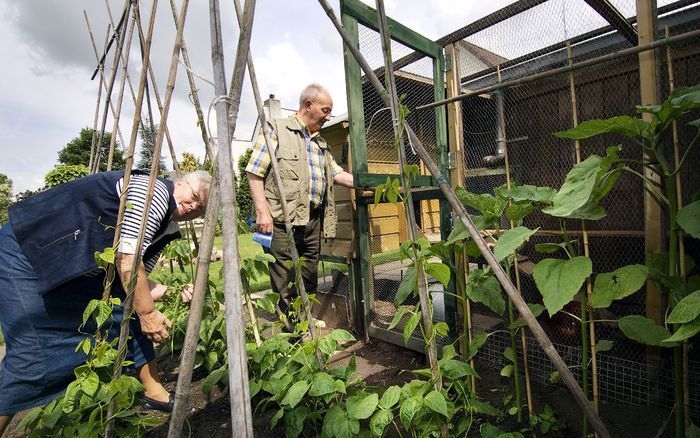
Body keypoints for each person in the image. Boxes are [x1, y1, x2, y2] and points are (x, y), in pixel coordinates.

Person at [0, 169, 210, 435]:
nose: (192, 206)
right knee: (32, 354)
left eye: (199, 208)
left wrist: (170, 290)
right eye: (193, 197)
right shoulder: (155, 193)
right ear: (179, 183)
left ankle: (153, 390)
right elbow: (127, 260)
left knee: (126, 314)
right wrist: (148, 313)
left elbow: (133, 282)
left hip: (60, 262)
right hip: (27, 254)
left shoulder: (165, 223)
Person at [246, 83, 354, 325]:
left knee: (308, 274)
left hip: (311, 220)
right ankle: (292, 332)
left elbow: (337, 174)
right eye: (326, 110)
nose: (329, 116)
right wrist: (263, 212)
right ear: (308, 105)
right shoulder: (277, 130)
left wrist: (370, 184)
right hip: (281, 221)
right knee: (284, 276)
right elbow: (254, 172)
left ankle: (305, 320)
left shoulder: (320, 143)